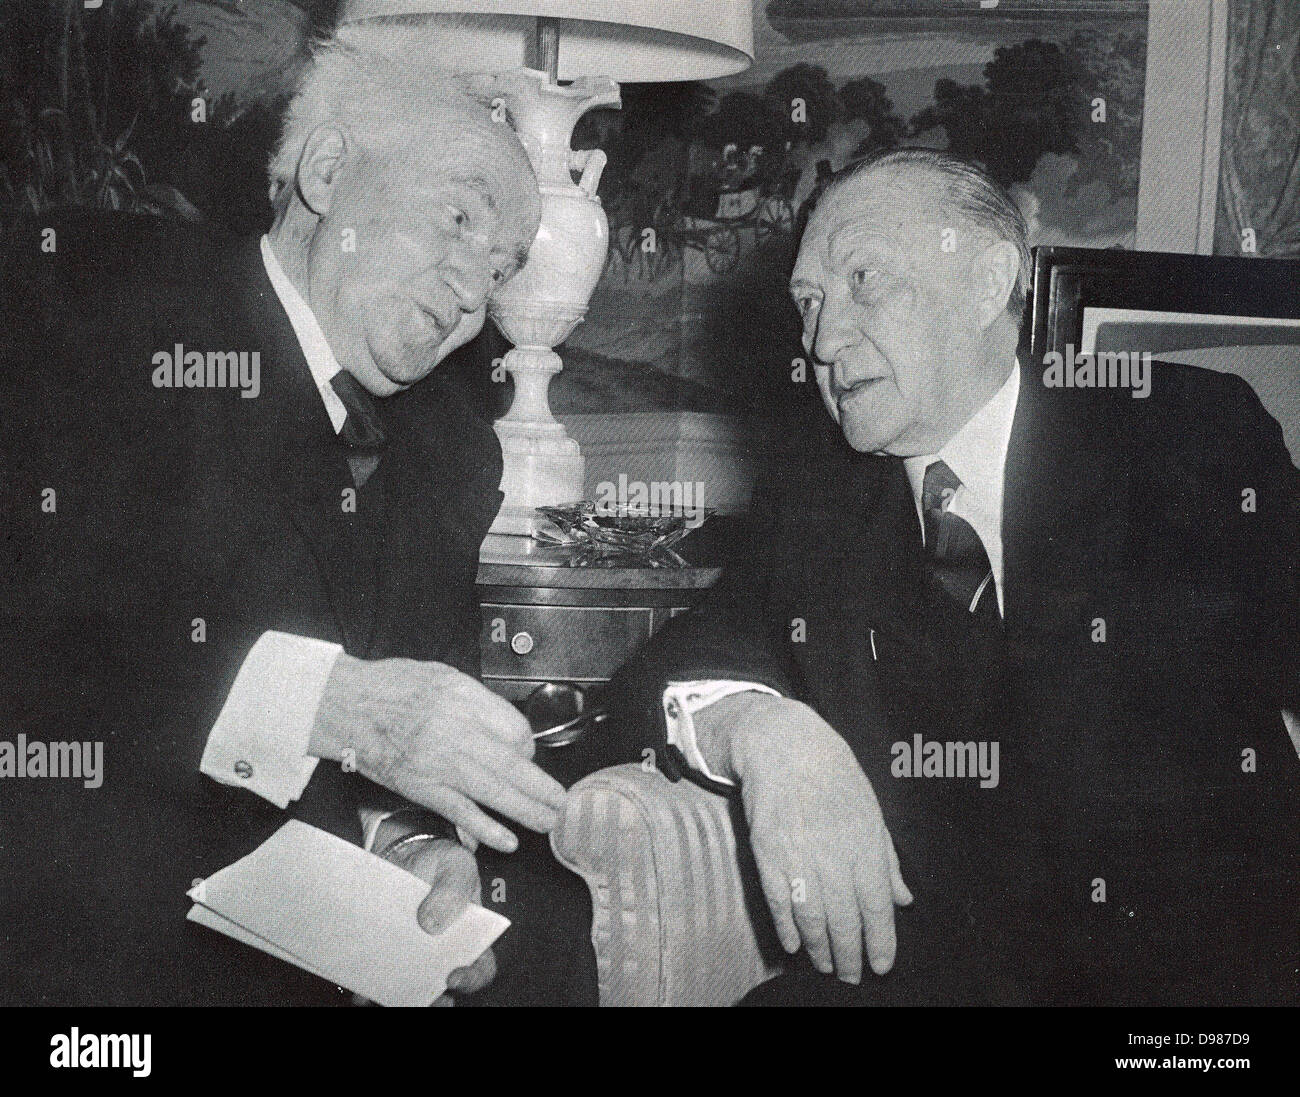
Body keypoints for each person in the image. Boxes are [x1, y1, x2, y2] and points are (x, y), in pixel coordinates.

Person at [608, 148, 1300, 1005]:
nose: (823, 341)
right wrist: (766, 734)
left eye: (864, 280)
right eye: (809, 303)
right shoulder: (817, 494)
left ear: (985, 285)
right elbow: (665, 669)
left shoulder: (1180, 437)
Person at [0, 23, 567, 1005]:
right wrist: (327, 703)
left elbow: (409, 708)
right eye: (458, 222)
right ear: (328, 169)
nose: (475, 289)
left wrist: (413, 840)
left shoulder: (450, 447)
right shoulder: (97, 290)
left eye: (504, 264)